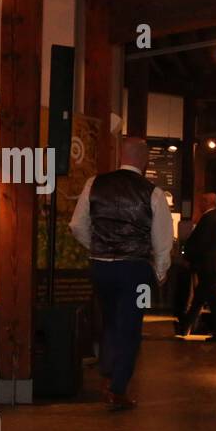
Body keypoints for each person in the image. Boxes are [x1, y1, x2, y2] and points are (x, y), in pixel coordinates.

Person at [68, 136, 172, 410]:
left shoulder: (94, 184)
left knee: (110, 320)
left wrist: (97, 246)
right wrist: (160, 271)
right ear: (145, 160)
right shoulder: (153, 192)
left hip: (100, 266)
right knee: (131, 326)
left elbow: (77, 225)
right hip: (136, 270)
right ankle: (118, 388)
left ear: (120, 157)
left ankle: (108, 372)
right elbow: (162, 240)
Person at [176, 192, 216, 341]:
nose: (200, 204)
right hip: (215, 265)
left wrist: (188, 258)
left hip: (208, 265)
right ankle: (185, 327)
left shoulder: (208, 218)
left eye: (202, 201)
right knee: (203, 298)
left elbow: (200, 243)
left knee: (211, 301)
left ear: (208, 202)